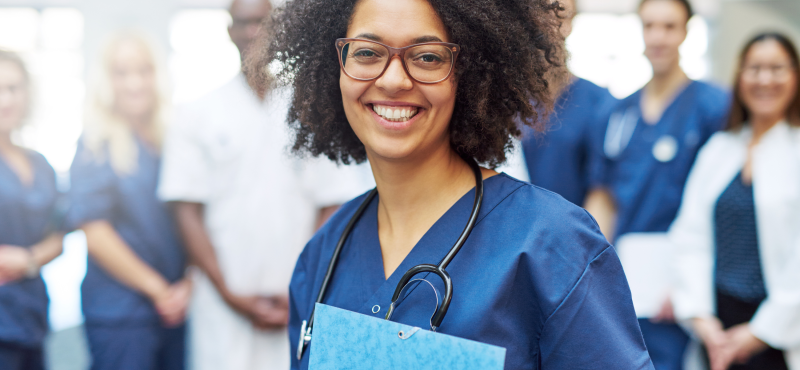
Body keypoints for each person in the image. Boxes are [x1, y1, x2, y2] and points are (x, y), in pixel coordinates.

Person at [247, 0, 655, 369]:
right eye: (367, 53)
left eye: (426, 57)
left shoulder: (551, 244)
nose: (392, 80)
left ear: (472, 74)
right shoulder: (323, 255)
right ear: (333, 67)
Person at [158, 0, 373, 369]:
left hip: (295, 297)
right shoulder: (196, 113)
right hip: (221, 303)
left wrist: (302, 284)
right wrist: (229, 293)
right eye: (243, 22)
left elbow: (332, 202)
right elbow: (186, 210)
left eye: (262, 22)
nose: (253, 31)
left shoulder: (308, 108)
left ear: (278, 30)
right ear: (228, 31)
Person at [584, 0, 730, 368]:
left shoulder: (714, 107)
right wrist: (594, 273)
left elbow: (725, 205)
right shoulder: (618, 113)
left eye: (669, 26)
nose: (658, 37)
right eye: (650, 26)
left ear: (686, 32)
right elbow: (603, 197)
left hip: (685, 278)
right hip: (628, 277)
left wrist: (688, 283)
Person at [670, 32, 800, 370]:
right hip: (717, 330)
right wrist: (701, 319)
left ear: (796, 76)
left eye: (777, 68)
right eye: (754, 68)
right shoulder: (719, 149)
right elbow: (690, 236)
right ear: (739, 77)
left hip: (781, 335)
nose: (765, 79)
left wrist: (760, 332)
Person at [65, 33, 190, 370]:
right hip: (121, 312)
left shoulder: (174, 139)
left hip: (177, 308)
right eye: (121, 73)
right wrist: (160, 291)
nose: (135, 83)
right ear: (106, 81)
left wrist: (189, 285)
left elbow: (192, 219)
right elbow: (95, 232)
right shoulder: (95, 143)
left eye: (144, 70)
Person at [0, 50, 65, 370]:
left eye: (14, 88)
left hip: (32, 314)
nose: (6, 99)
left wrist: (27, 261)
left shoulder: (39, 164)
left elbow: (58, 237)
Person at [520, 0, 617, 206]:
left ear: (570, 22)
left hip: (573, 230)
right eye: (538, 13)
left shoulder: (598, 102)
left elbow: (602, 192)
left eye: (559, 14)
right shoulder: (505, 102)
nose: (547, 22)